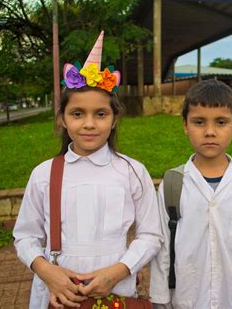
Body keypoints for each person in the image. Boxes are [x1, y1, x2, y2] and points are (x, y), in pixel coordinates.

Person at [13, 31, 163, 308]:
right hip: (57, 292)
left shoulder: (132, 172)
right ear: (62, 119)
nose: (89, 124)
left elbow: (151, 235)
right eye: (78, 113)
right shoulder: (44, 174)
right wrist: (48, 272)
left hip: (116, 288)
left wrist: (118, 271)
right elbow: (24, 236)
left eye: (101, 114)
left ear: (115, 118)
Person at [150, 79, 232, 309]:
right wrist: (160, 299)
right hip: (186, 300)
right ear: (185, 124)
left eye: (221, 122)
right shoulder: (172, 184)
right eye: (199, 122)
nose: (209, 132)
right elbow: (162, 248)